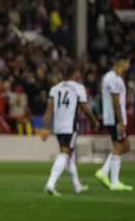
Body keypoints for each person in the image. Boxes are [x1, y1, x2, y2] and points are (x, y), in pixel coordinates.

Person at [40, 65, 99, 196]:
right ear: (75, 73)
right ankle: (50, 184)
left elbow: (49, 110)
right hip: (70, 126)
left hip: (59, 127)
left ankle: (77, 186)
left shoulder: (55, 88)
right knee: (65, 154)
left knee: (70, 157)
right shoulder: (78, 88)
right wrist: (94, 120)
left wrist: (45, 127)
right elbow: (84, 107)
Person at [95, 56, 133, 191]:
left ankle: (104, 171)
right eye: (128, 63)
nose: (129, 66)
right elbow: (115, 100)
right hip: (115, 118)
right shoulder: (114, 79)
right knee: (119, 146)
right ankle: (115, 181)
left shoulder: (111, 77)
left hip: (115, 117)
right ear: (123, 63)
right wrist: (121, 121)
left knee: (124, 145)